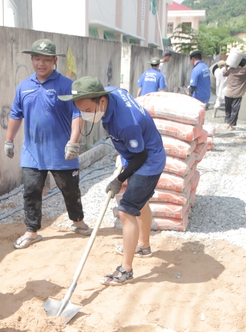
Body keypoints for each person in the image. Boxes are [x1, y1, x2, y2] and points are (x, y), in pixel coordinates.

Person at [58, 77, 166, 285]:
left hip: (149, 161)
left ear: (102, 101)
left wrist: (119, 179)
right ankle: (143, 245)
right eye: (81, 109)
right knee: (139, 203)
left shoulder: (125, 124)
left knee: (126, 210)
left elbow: (140, 156)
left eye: (88, 108)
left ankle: (126, 270)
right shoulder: (111, 92)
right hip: (137, 153)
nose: (85, 114)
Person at [4, 38, 90, 250]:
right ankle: (32, 231)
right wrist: (9, 140)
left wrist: (73, 142)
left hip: (62, 153)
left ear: (54, 61)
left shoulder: (66, 85)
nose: (40, 64)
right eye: (36, 59)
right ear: (32, 60)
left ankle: (78, 221)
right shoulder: (24, 87)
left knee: (70, 190)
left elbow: (77, 115)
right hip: (32, 153)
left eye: (45, 60)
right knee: (31, 191)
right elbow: (16, 115)